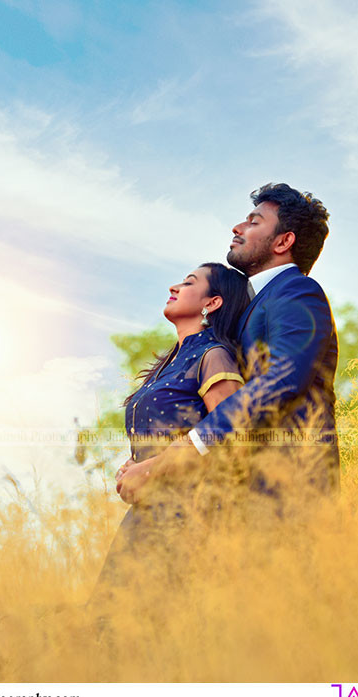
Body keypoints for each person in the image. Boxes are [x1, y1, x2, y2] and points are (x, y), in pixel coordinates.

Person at [116, 182, 339, 509]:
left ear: (283, 241)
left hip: (290, 492)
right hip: (242, 501)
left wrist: (182, 451)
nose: (238, 228)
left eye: (254, 221)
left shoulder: (297, 291)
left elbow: (283, 381)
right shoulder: (249, 308)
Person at [93, 262, 250, 594]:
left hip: (189, 515)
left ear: (213, 302)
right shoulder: (169, 363)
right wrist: (132, 466)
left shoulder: (214, 355)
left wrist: (151, 469)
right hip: (147, 513)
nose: (174, 288)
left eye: (189, 283)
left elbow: (229, 435)